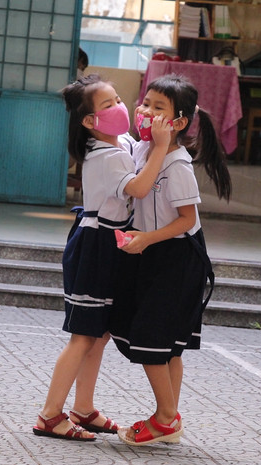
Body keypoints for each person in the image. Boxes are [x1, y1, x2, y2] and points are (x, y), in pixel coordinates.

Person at [33, 74, 173, 441]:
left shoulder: (120, 142)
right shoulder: (106, 153)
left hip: (111, 243)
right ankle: (49, 415)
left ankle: (83, 408)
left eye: (118, 99)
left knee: (100, 333)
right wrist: (161, 146)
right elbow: (140, 188)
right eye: (107, 105)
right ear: (89, 122)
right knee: (82, 335)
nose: (120, 107)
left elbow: (139, 147)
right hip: (95, 245)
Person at [110, 73, 232, 446]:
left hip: (177, 258)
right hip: (152, 253)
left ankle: (164, 418)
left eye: (157, 108)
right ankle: (169, 419)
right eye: (144, 103)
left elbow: (187, 221)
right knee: (166, 345)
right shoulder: (142, 150)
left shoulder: (177, 164)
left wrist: (146, 238)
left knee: (152, 340)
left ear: (178, 122)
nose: (145, 111)